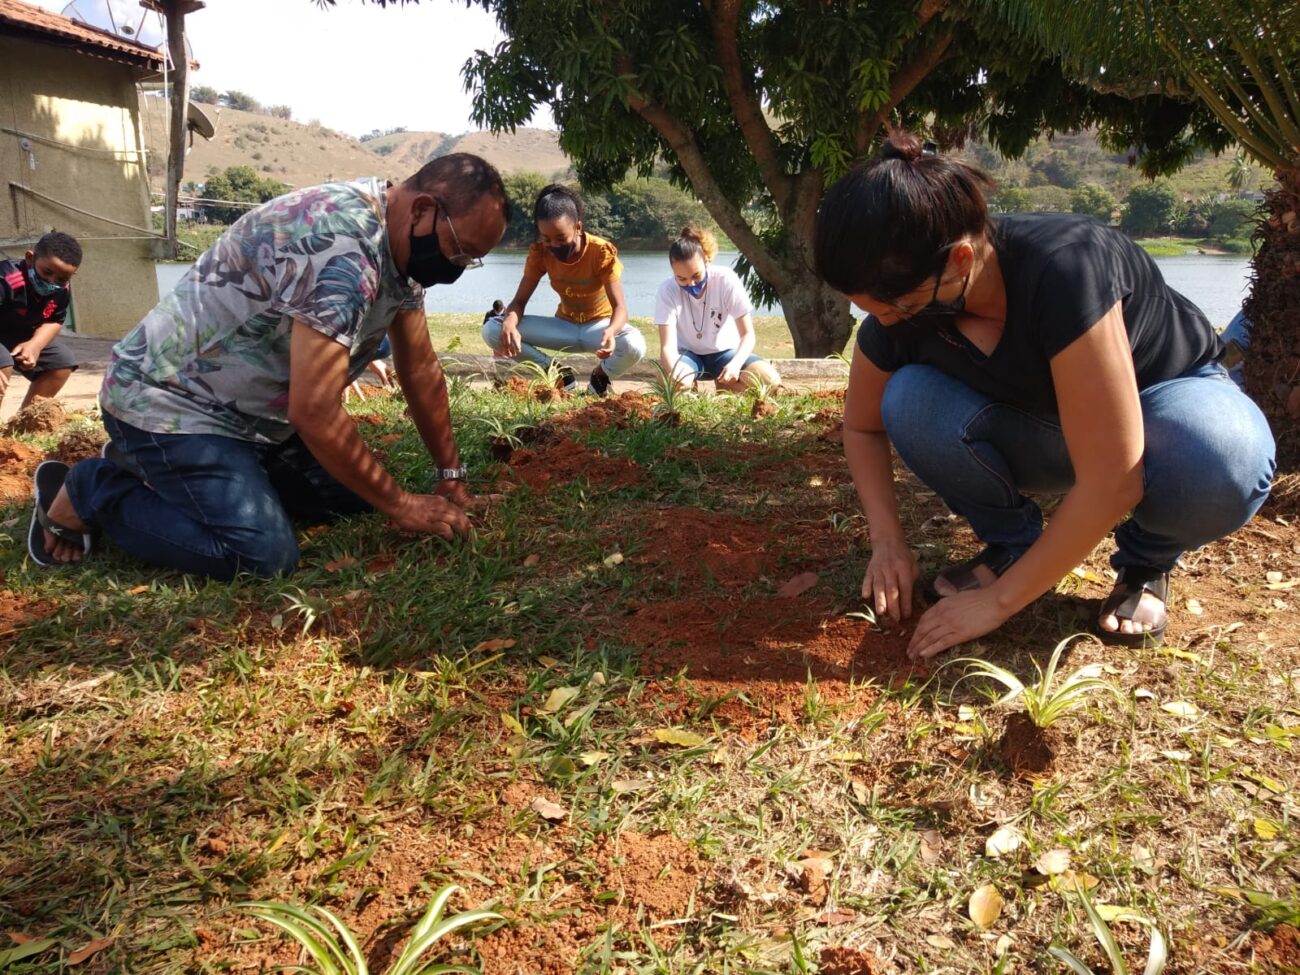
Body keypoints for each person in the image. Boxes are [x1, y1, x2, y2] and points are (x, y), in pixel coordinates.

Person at [813, 132, 1275, 660]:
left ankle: (1147, 560)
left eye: (891, 308)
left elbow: (1113, 478)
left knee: (1221, 457)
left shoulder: (1065, 267)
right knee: (909, 399)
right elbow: (863, 424)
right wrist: (888, 542)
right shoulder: (909, 299)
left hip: (1165, 409)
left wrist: (997, 604)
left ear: (960, 260)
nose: (881, 323)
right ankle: (1015, 544)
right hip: (1049, 425)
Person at [30, 153, 511, 578]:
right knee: (262, 554)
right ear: (425, 208)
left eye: (472, 259)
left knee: (350, 499)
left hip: (253, 416)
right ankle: (95, 486)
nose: (456, 266)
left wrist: (451, 477)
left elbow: (421, 368)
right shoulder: (343, 247)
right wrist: (403, 504)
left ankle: (160, 468)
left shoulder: (398, 236)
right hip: (172, 402)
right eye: (460, 250)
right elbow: (316, 412)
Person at [482, 184, 644, 396]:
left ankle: (600, 378)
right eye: (546, 239)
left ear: (577, 227)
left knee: (634, 344)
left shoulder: (600, 251)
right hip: (563, 327)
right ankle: (558, 372)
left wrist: (612, 332)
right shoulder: (540, 253)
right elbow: (519, 301)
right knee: (492, 330)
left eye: (560, 238)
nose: (553, 245)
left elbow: (620, 308)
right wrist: (510, 322)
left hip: (599, 329)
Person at [654, 226, 781, 392]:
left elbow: (748, 335)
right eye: (682, 278)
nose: (691, 284)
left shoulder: (726, 279)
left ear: (707, 261)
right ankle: (690, 390)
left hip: (725, 353)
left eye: (696, 276)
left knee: (770, 381)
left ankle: (725, 386)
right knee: (666, 380)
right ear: (673, 272)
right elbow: (667, 347)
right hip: (687, 355)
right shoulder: (667, 289)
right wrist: (675, 375)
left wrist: (735, 365)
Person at [1, 231, 82, 413]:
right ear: (30, 258)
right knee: (2, 361)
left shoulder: (61, 290)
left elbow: (54, 320)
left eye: (62, 278)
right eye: (47, 272)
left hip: (16, 336)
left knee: (61, 361)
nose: (51, 282)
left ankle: (24, 428)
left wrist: (35, 345)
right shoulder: (6, 279)